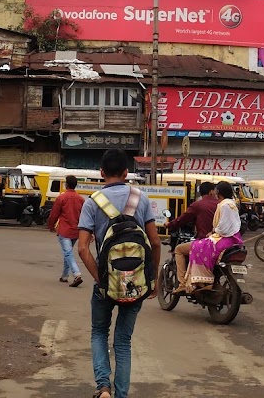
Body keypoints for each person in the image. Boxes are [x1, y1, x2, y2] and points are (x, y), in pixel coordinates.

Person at [77, 149, 159, 398]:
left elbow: (82, 248)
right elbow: (155, 242)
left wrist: (101, 279)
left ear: (101, 173)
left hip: (106, 284)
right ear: (126, 173)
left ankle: (103, 387)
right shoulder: (141, 198)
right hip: (136, 283)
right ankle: (121, 395)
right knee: (123, 342)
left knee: (99, 332)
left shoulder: (92, 202)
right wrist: (152, 279)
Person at [183, 181, 242, 292]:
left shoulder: (225, 205)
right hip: (233, 237)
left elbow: (224, 226)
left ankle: (203, 280)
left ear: (218, 192)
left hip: (225, 237)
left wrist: (214, 231)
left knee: (197, 246)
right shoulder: (231, 203)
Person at [166, 181, 218, 293]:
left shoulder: (198, 205)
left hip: (205, 242)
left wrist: (170, 225)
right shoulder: (220, 204)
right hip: (221, 242)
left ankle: (182, 284)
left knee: (179, 249)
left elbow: (183, 219)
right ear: (211, 192)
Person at [48, 175, 86, 287]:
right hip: (76, 231)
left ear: (66, 184)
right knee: (67, 252)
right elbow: (84, 216)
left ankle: (77, 274)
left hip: (64, 230)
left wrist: (51, 226)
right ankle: (64, 276)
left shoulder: (61, 198)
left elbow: (54, 214)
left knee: (68, 253)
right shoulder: (81, 199)